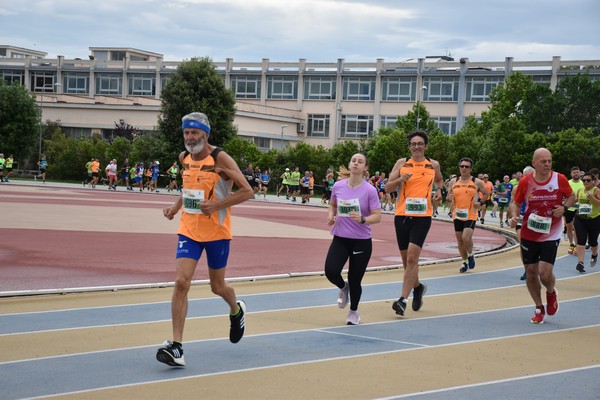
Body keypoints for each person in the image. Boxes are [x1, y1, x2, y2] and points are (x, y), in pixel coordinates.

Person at [157, 112, 254, 367]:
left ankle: (236, 309)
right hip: (189, 230)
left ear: (205, 134)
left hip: (217, 232)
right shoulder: (184, 158)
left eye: (194, 133)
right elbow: (188, 188)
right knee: (181, 282)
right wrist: (175, 208)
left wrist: (217, 204)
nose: (190, 138)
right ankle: (177, 347)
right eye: (186, 133)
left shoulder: (220, 157)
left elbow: (247, 191)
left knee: (217, 286)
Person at [509, 148, 575, 324]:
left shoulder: (559, 179)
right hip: (529, 232)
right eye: (543, 161)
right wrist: (514, 215)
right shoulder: (525, 182)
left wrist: (564, 208)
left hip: (550, 233)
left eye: (549, 161)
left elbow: (571, 197)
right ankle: (539, 307)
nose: (547, 164)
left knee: (544, 274)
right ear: (534, 163)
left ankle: (551, 292)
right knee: (531, 272)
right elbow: (516, 203)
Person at [385, 130, 444, 316]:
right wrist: (399, 179)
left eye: (420, 144)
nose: (416, 147)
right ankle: (417, 287)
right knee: (406, 262)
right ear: (409, 147)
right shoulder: (401, 163)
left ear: (426, 146)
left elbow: (440, 181)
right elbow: (387, 187)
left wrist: (439, 191)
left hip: (422, 216)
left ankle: (402, 300)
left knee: (412, 258)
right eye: (413, 144)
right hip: (402, 215)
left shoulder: (433, 165)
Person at [325, 153, 382, 325]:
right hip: (340, 237)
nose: (356, 163)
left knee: (355, 279)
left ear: (365, 168)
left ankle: (353, 312)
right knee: (331, 271)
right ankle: (343, 288)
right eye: (353, 160)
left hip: (361, 240)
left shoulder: (370, 190)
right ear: (349, 165)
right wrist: (330, 216)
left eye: (360, 162)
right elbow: (333, 204)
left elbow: (377, 216)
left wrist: (363, 219)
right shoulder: (338, 186)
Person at [445, 158, 489, 273]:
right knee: (460, 240)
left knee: (466, 237)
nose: (464, 168)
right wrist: (448, 198)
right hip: (457, 214)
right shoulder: (453, 181)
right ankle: (464, 262)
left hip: (471, 214)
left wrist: (480, 203)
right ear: (459, 167)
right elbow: (449, 196)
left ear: (471, 169)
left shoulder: (477, 182)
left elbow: (486, 194)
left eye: (467, 167)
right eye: (462, 166)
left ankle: (470, 254)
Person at [573, 172, 600, 273]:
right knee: (581, 240)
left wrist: (592, 198)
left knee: (593, 242)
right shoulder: (580, 190)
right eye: (584, 180)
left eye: (588, 180)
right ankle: (580, 263)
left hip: (594, 219)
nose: (585, 182)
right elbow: (576, 201)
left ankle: (594, 254)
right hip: (580, 218)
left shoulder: (596, 191)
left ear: (593, 181)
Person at [515, 166, 535, 281]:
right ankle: (526, 269)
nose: (528, 177)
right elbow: (514, 203)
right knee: (523, 244)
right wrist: (513, 215)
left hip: (536, 220)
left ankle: (535, 266)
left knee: (536, 245)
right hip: (521, 219)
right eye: (526, 175)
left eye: (530, 175)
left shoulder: (540, 187)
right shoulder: (517, 188)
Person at [565, 166, 584, 254]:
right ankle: (571, 244)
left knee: (577, 227)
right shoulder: (567, 183)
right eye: (574, 172)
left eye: (577, 172)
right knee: (569, 227)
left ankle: (576, 245)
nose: (576, 174)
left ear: (580, 173)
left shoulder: (584, 183)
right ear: (571, 174)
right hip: (569, 208)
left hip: (579, 208)